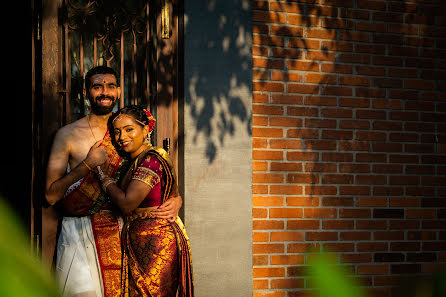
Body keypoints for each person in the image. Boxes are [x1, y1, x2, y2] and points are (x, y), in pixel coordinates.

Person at [45, 66, 182, 297]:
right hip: (80, 232)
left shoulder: (127, 132)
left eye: (110, 86)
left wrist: (176, 198)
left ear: (119, 91)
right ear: (86, 92)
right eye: (97, 87)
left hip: (121, 232)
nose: (104, 92)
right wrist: (87, 164)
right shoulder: (67, 135)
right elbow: (50, 195)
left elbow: (156, 168)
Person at [90, 105, 193, 297]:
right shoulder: (134, 162)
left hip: (157, 242)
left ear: (146, 130)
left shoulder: (151, 159)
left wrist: (102, 176)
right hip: (139, 239)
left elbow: (127, 203)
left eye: (129, 129)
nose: (122, 137)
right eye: (117, 132)